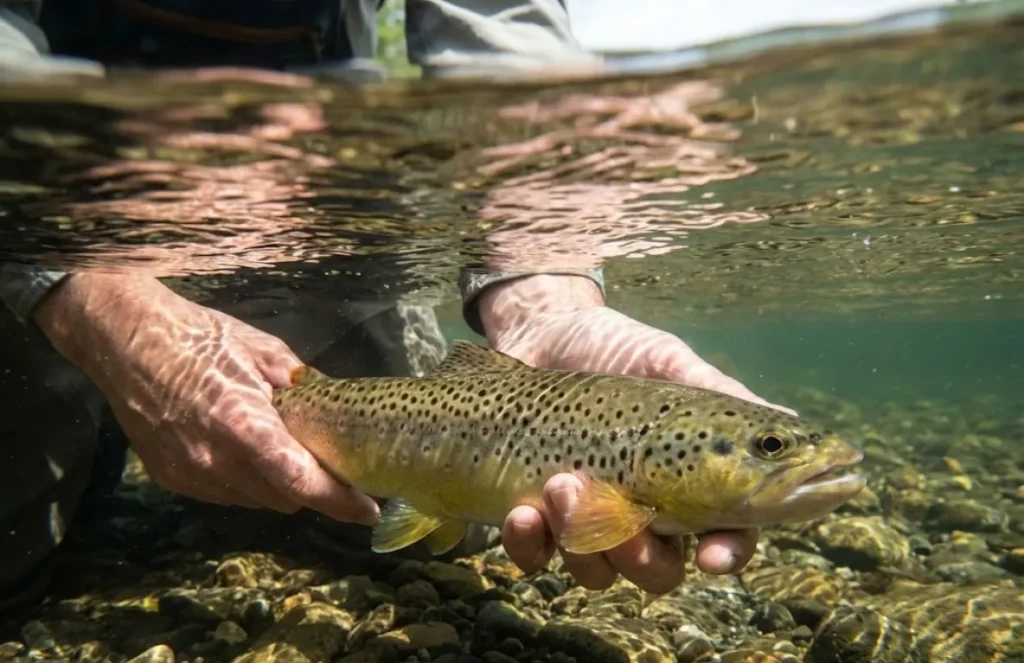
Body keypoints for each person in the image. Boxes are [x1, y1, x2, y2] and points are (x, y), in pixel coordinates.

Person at [0, 0, 775, 610]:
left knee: (397, 542)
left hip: (310, 175)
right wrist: (96, 305)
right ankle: (89, 413)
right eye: (765, 450)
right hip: (30, 189)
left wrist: (544, 294)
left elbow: (502, 36)